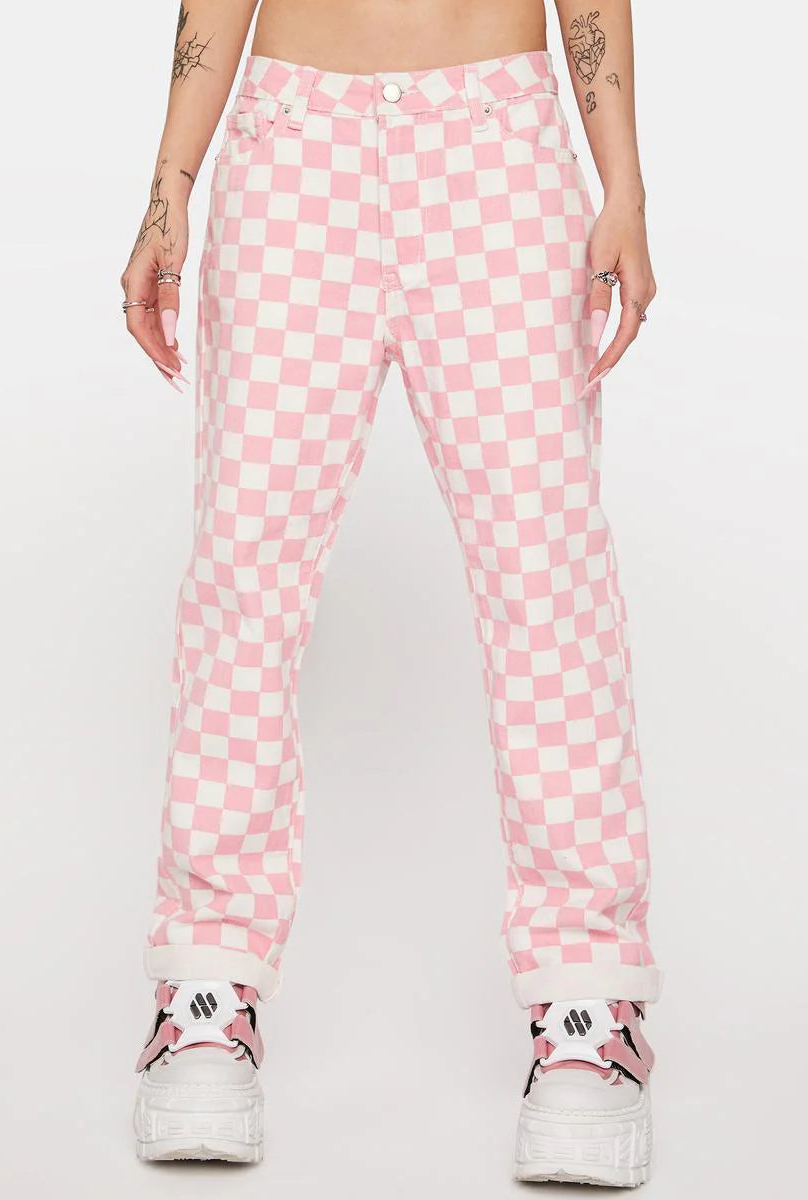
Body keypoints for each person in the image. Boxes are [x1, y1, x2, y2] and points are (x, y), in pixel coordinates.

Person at [122, 0, 660, 1183]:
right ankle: (207, 986)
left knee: (548, 579)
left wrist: (622, 178)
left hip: (498, 153)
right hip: (292, 150)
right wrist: (170, 187)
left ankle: (587, 999)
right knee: (243, 575)